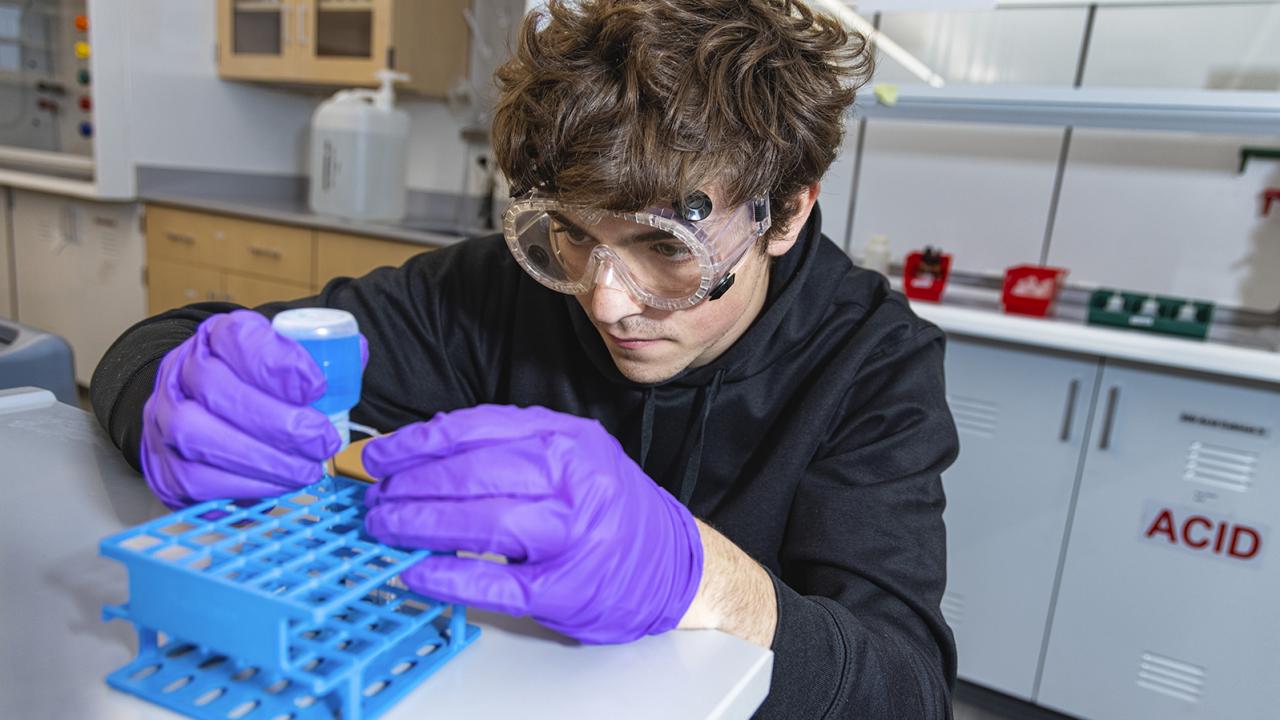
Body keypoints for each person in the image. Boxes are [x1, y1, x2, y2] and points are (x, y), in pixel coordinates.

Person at [91, 0, 960, 716]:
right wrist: (169, 391)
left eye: (666, 249)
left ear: (787, 214)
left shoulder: (873, 363)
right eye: (575, 237)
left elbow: (905, 689)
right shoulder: (496, 291)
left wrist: (706, 581)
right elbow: (164, 342)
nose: (606, 300)